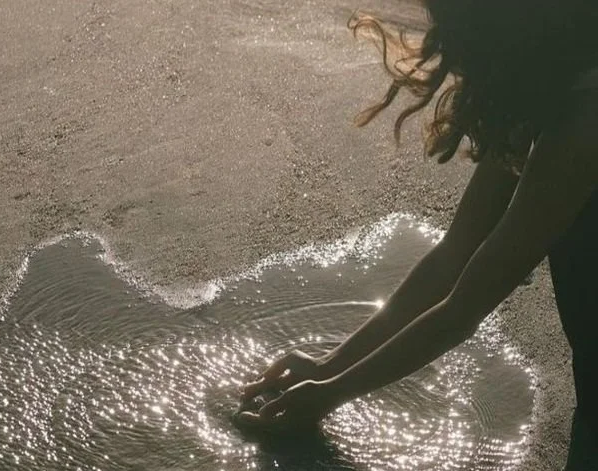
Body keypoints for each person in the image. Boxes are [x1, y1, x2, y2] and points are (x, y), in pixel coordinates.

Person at [236, 0, 598, 433]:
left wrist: (330, 395)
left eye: (455, 41)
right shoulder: (544, 84)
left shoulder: (584, 127)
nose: (453, 61)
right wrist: (329, 365)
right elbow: (455, 254)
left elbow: (463, 308)